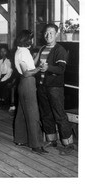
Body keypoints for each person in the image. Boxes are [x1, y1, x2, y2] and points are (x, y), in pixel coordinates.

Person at [35, 23, 74, 154]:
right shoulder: (42, 49)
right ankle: (51, 140)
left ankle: (68, 144)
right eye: (46, 33)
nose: (48, 35)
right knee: (46, 114)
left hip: (55, 87)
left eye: (51, 33)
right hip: (42, 86)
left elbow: (61, 69)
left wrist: (48, 68)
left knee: (59, 115)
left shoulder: (60, 50)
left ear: (56, 34)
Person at [14, 30, 47, 154]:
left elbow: (31, 64)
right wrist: (40, 68)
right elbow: (27, 72)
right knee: (33, 114)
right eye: (31, 39)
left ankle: (20, 139)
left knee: (22, 112)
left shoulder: (22, 51)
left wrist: (38, 53)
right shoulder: (23, 52)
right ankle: (36, 145)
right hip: (27, 82)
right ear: (27, 39)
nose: (33, 41)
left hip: (23, 83)